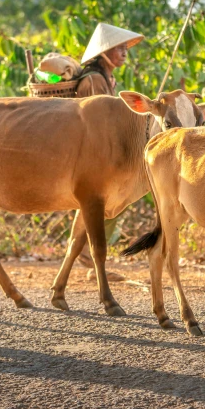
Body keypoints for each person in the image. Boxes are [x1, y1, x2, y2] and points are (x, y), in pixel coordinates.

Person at [74, 23, 145, 269]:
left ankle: (83, 254)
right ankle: (87, 256)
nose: (125, 53)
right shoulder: (94, 79)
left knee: (94, 204)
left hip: (98, 148)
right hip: (89, 150)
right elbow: (94, 119)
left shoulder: (107, 77)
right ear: (104, 51)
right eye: (120, 48)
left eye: (126, 48)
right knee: (101, 202)